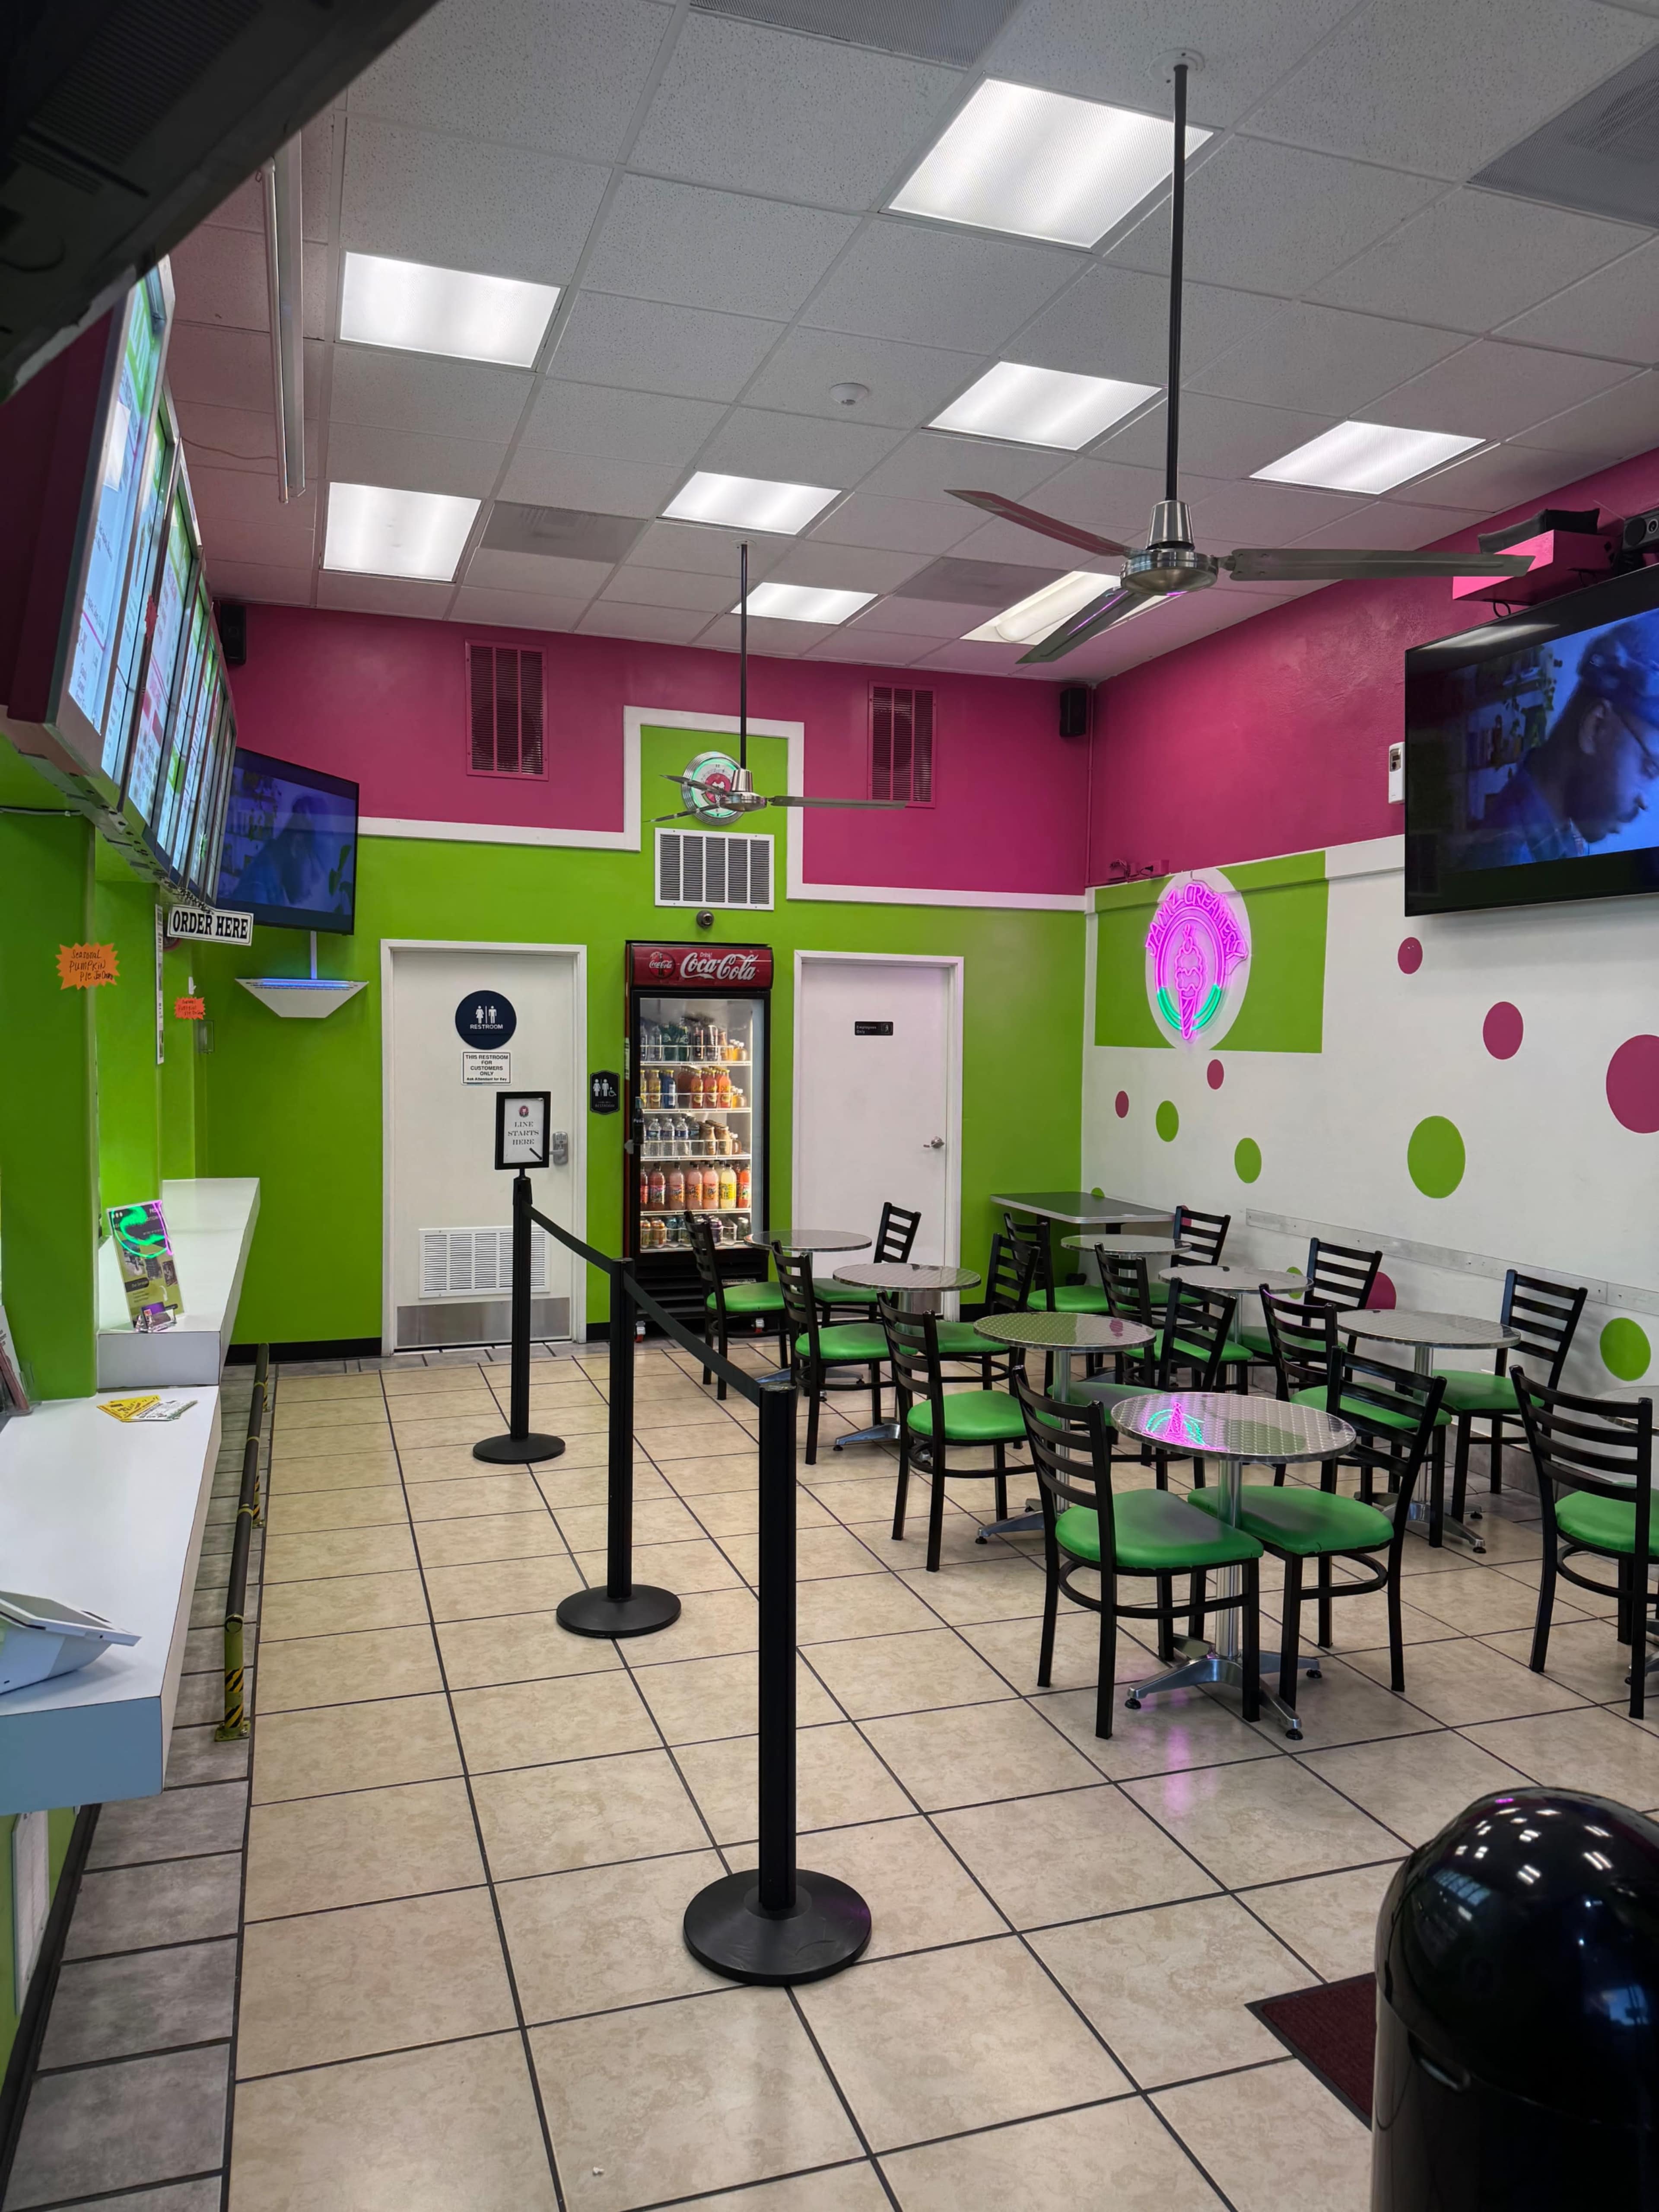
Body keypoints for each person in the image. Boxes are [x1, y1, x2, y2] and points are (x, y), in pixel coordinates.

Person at [1461, 619, 1659, 868]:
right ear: (1596, 727)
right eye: (1650, 767)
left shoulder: (1554, 836)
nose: (1645, 801)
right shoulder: (1509, 864)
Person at [233, 788, 351, 914]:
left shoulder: (272, 886)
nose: (310, 892)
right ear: (297, 845)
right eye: (313, 875)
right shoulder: (256, 894)